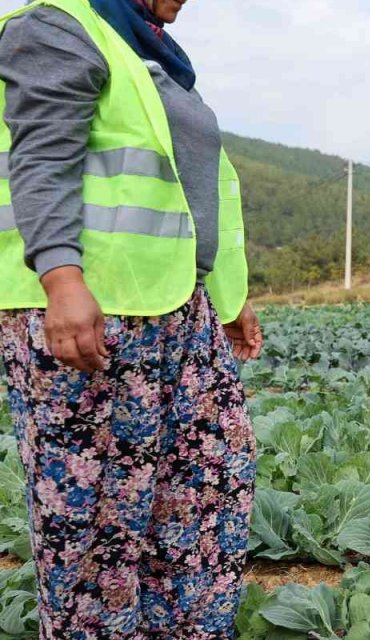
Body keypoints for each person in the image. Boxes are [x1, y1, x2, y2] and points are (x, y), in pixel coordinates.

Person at [0, 0, 262, 636]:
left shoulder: (160, 59)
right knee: (98, 518)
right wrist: (62, 276)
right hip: (92, 309)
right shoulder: (57, 26)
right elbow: (40, 158)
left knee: (211, 481)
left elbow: (200, 191)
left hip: (178, 305)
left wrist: (228, 296)